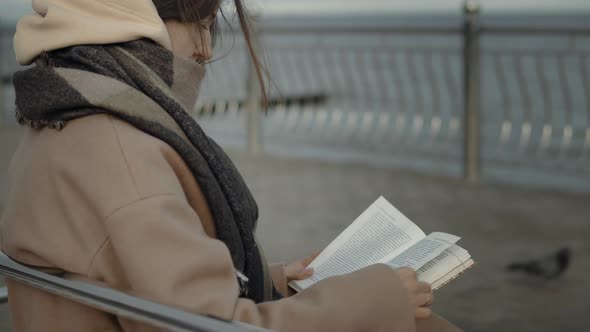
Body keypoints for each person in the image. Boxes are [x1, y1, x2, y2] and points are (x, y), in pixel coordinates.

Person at [0, 0, 463, 331]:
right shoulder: (122, 150)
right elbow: (202, 325)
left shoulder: (64, 116)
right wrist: (376, 296)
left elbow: (128, 274)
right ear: (139, 17)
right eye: (201, 23)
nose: (204, 48)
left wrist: (278, 276)